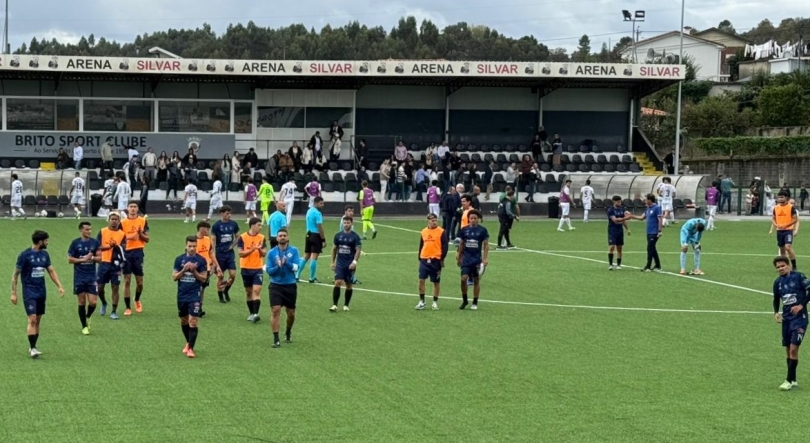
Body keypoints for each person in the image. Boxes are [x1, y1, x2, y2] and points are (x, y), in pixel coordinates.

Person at [11, 230, 65, 358]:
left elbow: (51, 271)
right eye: (46, 240)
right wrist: (14, 292)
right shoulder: (24, 255)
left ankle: (33, 346)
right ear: (40, 241)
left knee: (38, 320)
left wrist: (59, 286)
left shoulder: (45, 255)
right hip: (29, 291)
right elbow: (15, 275)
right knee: (32, 319)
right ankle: (33, 348)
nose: (48, 242)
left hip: (41, 291)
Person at [772, 256, 810, 390]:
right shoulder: (778, 283)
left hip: (800, 319)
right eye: (778, 267)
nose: (780, 269)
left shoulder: (799, 276)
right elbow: (776, 299)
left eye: (782, 266)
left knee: (794, 348)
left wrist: (801, 305)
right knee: (788, 350)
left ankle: (787, 380)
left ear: (788, 265)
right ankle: (793, 379)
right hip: (787, 319)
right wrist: (776, 312)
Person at [173, 235, 208, 359]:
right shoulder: (179, 260)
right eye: (190, 246)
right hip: (182, 295)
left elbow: (204, 278)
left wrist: (194, 271)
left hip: (195, 295)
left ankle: (191, 349)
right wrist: (183, 270)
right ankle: (188, 342)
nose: (192, 248)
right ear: (185, 246)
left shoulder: (201, 260)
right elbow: (174, 277)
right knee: (184, 320)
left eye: (194, 246)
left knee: (193, 321)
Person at [266, 228, 300, 348]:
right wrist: (277, 266)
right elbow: (269, 271)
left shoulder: (294, 251)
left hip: (290, 285)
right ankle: (276, 339)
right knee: (275, 310)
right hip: (276, 286)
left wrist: (287, 263)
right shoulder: (271, 253)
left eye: (284, 235)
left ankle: (288, 331)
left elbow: (297, 267)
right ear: (277, 238)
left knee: (291, 313)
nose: (282, 237)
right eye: (280, 236)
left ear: (288, 237)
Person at [67, 221, 101, 335]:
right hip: (79, 277)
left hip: (91, 277)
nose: (89, 231)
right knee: (81, 302)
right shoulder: (75, 243)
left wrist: (92, 258)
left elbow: (100, 258)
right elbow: (70, 259)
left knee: (93, 302)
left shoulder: (95, 242)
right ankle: (84, 326)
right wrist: (83, 259)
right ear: (81, 230)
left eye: (90, 229)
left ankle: (88, 316)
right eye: (87, 229)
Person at [121, 201, 150, 315]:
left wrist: (140, 234)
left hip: (138, 253)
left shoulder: (143, 221)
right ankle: (128, 307)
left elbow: (147, 239)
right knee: (127, 280)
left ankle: (137, 299)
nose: (133, 209)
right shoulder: (122, 223)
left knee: (140, 282)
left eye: (135, 207)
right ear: (127, 208)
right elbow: (120, 238)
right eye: (131, 206)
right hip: (126, 253)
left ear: (137, 209)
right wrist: (131, 236)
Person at [457, 210, 489, 310]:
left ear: (478, 219)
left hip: (477, 260)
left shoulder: (482, 230)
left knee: (476, 280)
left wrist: (485, 258)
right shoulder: (464, 230)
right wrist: (459, 256)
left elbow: (486, 244)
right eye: (471, 218)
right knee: (463, 279)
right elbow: (461, 244)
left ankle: (475, 302)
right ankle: (465, 300)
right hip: (466, 259)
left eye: (475, 218)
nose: (473, 220)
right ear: (468, 219)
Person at [96, 212, 126, 318]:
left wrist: (117, 247)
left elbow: (123, 248)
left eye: (116, 219)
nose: (114, 221)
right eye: (112, 219)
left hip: (115, 265)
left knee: (115, 287)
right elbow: (97, 246)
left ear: (119, 221)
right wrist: (109, 246)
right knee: (100, 288)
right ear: (108, 220)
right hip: (103, 263)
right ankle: (104, 302)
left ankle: (114, 311)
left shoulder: (122, 234)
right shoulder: (102, 231)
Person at [330, 215, 362, 312]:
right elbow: (334, 249)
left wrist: (354, 262)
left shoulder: (355, 237)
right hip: (339, 264)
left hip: (350, 265)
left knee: (349, 285)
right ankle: (335, 305)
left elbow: (358, 250)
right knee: (337, 282)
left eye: (348, 223)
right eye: (345, 223)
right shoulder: (338, 236)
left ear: (352, 224)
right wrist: (332, 262)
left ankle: (346, 305)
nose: (346, 224)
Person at [416, 213, 449, 310]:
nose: (434, 222)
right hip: (424, 259)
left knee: (436, 282)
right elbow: (421, 245)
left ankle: (435, 302)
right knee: (421, 280)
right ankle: (422, 301)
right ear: (428, 221)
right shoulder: (423, 232)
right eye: (432, 220)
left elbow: (445, 246)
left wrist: (442, 258)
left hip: (435, 260)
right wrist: (419, 258)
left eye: (436, 220)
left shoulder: (441, 232)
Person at [238, 217, 267, 323]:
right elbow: (241, 253)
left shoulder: (262, 237)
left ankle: (255, 314)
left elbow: (264, 253)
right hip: (245, 268)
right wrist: (252, 249)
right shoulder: (242, 237)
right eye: (259, 225)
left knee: (256, 290)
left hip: (257, 268)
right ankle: (251, 313)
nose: (260, 227)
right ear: (252, 225)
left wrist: (259, 249)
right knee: (249, 292)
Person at [211, 206, 240, 303]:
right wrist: (213, 256)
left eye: (230, 213)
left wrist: (233, 245)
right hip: (219, 253)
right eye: (227, 213)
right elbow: (213, 241)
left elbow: (238, 237)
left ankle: (226, 290)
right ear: (222, 213)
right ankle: (220, 297)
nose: (229, 215)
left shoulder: (233, 224)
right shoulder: (216, 226)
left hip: (230, 254)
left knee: (233, 274)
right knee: (220, 276)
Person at [628, 194, 663, 272]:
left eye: (646, 199)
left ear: (650, 200)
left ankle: (648, 266)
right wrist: (631, 216)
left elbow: (660, 219)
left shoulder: (656, 208)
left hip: (654, 232)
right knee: (652, 248)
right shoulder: (648, 208)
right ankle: (658, 266)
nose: (645, 201)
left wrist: (660, 231)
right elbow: (641, 217)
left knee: (650, 248)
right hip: (649, 231)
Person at [298, 196, 326, 283]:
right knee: (314, 257)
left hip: (308, 234)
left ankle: (297, 275)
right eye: (321, 203)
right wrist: (323, 239)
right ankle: (312, 277)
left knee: (306, 255)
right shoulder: (317, 213)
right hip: (315, 235)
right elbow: (320, 227)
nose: (323, 205)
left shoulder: (309, 211)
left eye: (323, 203)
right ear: (315, 203)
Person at [195, 221, 219, 318]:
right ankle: (194, 307)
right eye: (207, 229)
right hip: (196, 269)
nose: (208, 231)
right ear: (201, 228)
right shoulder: (193, 241)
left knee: (202, 289)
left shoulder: (208, 239)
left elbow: (211, 253)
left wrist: (216, 265)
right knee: (196, 289)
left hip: (207, 268)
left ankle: (199, 308)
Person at [772, 191, 799, 269]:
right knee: (782, 249)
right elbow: (773, 218)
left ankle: (794, 265)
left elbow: (795, 219)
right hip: (779, 231)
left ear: (786, 198)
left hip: (788, 230)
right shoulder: (776, 208)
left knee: (788, 247)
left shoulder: (791, 207)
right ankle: (785, 265)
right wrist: (776, 224)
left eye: (782, 197)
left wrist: (786, 225)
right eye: (779, 197)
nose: (780, 199)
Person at [607, 195, 631, 270]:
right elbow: (615, 220)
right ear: (613, 201)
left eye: (620, 202)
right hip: (612, 230)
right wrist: (625, 217)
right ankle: (610, 264)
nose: (619, 203)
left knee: (619, 247)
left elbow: (624, 221)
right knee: (612, 246)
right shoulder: (610, 210)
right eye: (618, 202)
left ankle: (618, 265)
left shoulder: (622, 209)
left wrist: (628, 229)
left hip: (620, 230)